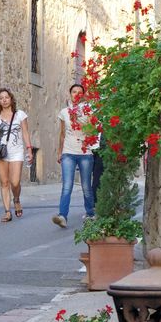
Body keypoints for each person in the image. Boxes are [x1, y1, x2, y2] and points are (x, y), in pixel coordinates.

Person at [52, 83, 96, 228]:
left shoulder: (88, 111)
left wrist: (78, 119)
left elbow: (91, 131)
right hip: (68, 152)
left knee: (85, 186)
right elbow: (62, 134)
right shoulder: (64, 112)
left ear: (83, 95)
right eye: (74, 92)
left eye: (79, 92)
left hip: (85, 152)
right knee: (67, 185)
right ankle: (62, 216)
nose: (76, 94)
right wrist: (60, 152)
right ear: (70, 94)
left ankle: (90, 213)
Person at [0, 88, 32, 223]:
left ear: (11, 99)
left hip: (17, 151)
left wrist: (29, 149)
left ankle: (16, 199)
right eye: (1, 98)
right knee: (4, 182)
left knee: (15, 182)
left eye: (6, 97)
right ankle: (7, 211)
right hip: (0, 152)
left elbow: (25, 132)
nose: (4, 100)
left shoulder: (20, 115)